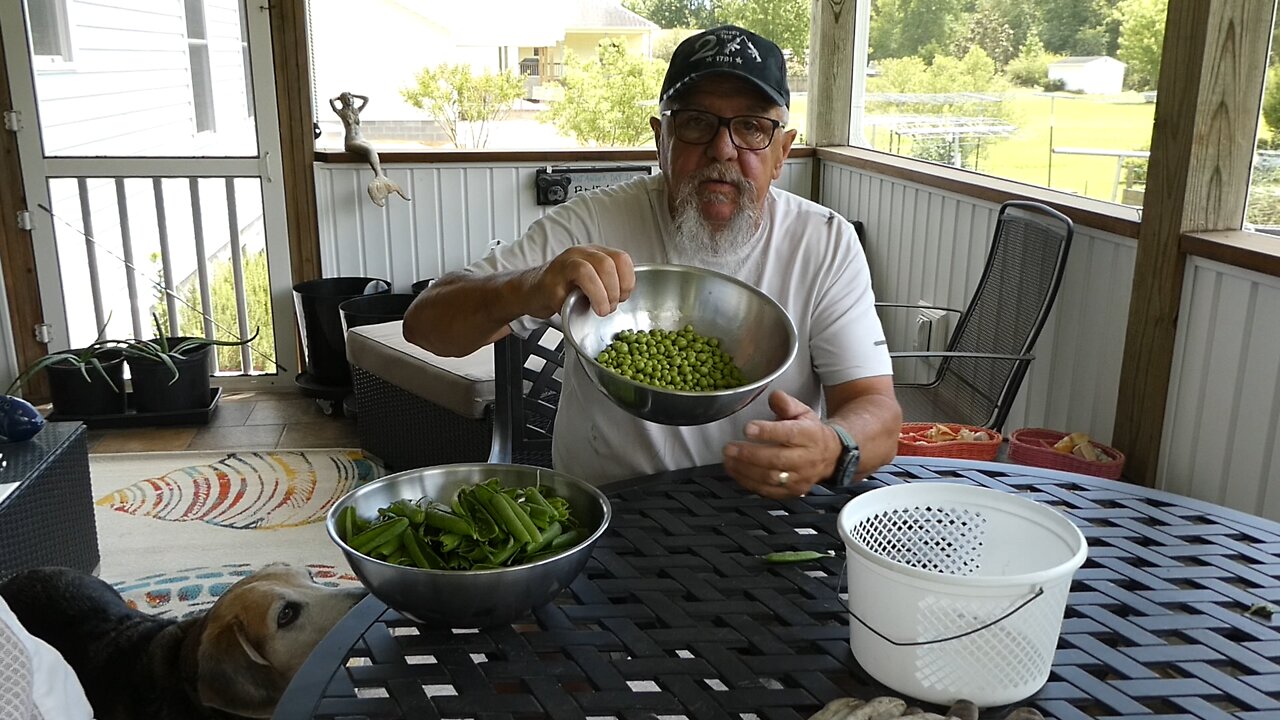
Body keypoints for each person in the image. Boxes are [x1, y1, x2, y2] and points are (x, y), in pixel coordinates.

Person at [403, 26, 901, 498]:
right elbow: (425, 325)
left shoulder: (826, 243)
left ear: (782, 152)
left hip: (762, 515)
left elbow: (877, 412)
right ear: (660, 138)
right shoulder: (589, 223)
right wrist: (528, 286)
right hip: (606, 516)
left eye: (752, 127)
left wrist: (833, 447)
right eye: (696, 123)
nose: (721, 149)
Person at [329, 91, 409, 207]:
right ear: (342, 101)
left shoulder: (356, 111)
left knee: (372, 148)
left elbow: (366, 99)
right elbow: (331, 101)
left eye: (350, 98)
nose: (349, 100)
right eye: (346, 99)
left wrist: (353, 95)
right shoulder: (342, 112)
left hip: (361, 139)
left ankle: (380, 176)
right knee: (370, 150)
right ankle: (379, 175)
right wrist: (340, 97)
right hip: (351, 141)